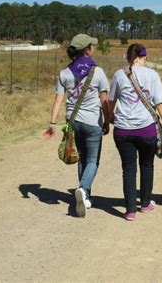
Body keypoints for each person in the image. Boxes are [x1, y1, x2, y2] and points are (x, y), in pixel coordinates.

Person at [44, 34, 110, 218]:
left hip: (72, 122)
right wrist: (107, 120)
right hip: (92, 122)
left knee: (81, 158)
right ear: (87, 50)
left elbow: (58, 99)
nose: (94, 49)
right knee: (93, 161)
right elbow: (104, 100)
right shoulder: (98, 72)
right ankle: (83, 188)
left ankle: (85, 196)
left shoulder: (64, 72)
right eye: (92, 47)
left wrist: (52, 123)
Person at [108, 44, 162, 221]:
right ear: (142, 57)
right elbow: (160, 103)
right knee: (147, 165)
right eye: (145, 58)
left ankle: (130, 210)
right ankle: (144, 203)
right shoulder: (152, 75)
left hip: (123, 130)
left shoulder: (118, 75)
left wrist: (109, 118)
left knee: (128, 169)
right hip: (146, 129)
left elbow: (111, 101)